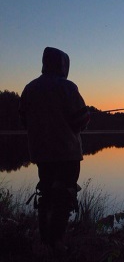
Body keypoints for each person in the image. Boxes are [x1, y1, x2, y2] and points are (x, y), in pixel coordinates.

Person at [19, 47, 90, 253]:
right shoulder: (67, 87)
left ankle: (44, 239)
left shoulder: (29, 88)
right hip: (67, 153)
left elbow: (24, 119)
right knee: (64, 195)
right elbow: (80, 121)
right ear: (63, 65)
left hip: (41, 153)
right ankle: (57, 241)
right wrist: (87, 116)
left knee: (46, 193)